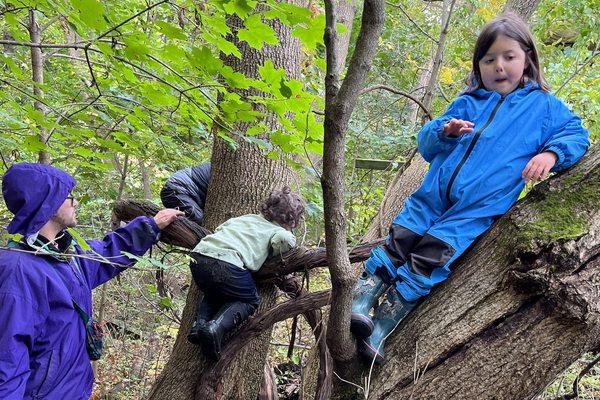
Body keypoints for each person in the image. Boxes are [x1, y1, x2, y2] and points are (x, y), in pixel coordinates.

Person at [351, 12, 590, 365]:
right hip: (431, 197)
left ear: (527, 58)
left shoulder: (544, 108)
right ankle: (361, 301)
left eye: (509, 56)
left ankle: (384, 323)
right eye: (489, 59)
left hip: (474, 210)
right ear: (479, 66)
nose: (499, 66)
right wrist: (443, 132)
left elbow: (577, 135)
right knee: (400, 239)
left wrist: (552, 154)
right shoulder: (468, 102)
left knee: (429, 260)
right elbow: (428, 147)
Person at [0, 163, 183, 399]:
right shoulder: (18, 271)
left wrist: (152, 225)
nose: (74, 202)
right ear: (48, 202)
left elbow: (107, 253)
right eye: (67, 196)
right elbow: (7, 361)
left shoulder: (66, 255)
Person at [186, 187, 304, 360]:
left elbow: (221, 228)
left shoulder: (245, 219)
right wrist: (283, 242)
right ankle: (214, 328)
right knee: (249, 300)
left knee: (213, 292)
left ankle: (198, 326)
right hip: (227, 264)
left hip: (199, 257)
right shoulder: (278, 231)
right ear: (292, 221)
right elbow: (283, 241)